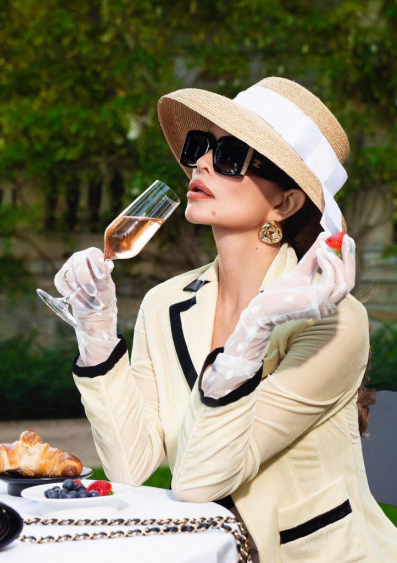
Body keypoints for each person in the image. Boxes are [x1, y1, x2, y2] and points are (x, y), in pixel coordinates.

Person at [54, 77, 397, 561]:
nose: (202, 163)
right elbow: (130, 466)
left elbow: (199, 481)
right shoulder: (164, 303)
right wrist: (97, 332)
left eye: (231, 155)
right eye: (200, 145)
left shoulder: (337, 323)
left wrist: (255, 325)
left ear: (285, 202)